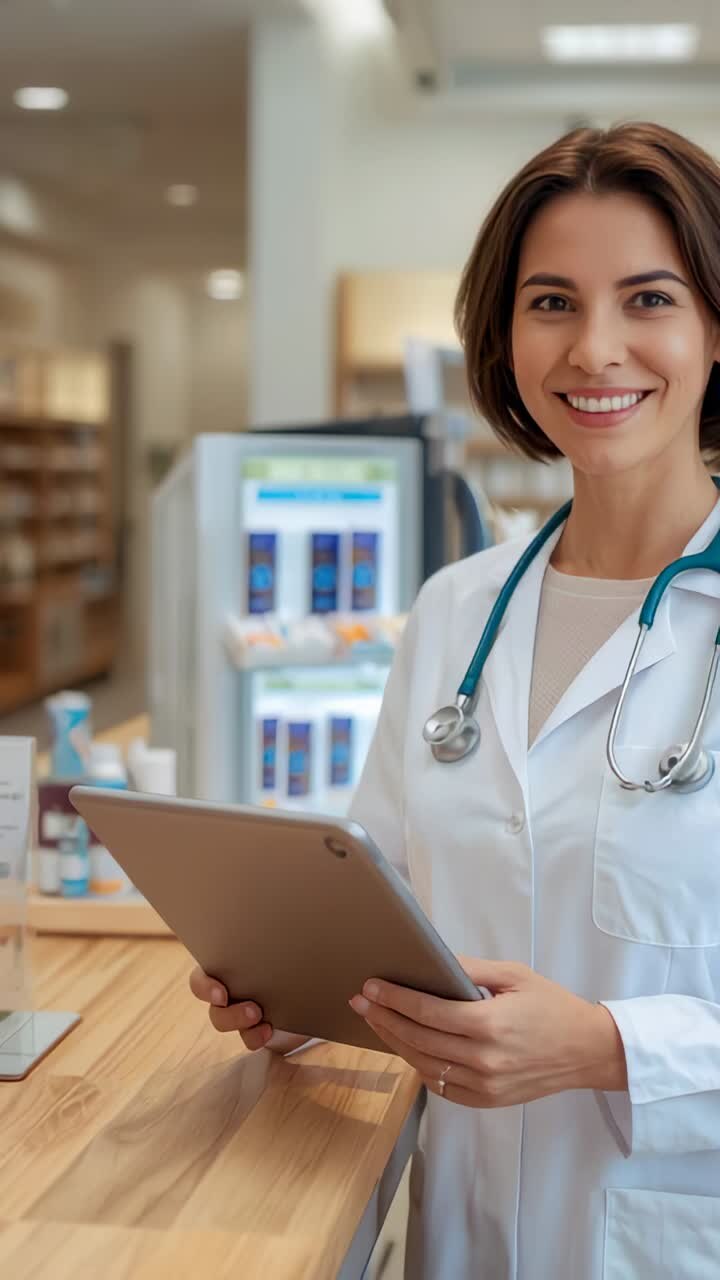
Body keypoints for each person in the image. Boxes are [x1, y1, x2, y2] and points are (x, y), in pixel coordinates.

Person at [190, 121, 720, 1279]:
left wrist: (610, 1047)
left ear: (715, 327)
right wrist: (299, 992)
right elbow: (384, 897)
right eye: (550, 302)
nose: (595, 348)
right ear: (504, 331)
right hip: (460, 1237)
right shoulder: (457, 611)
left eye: (648, 299)